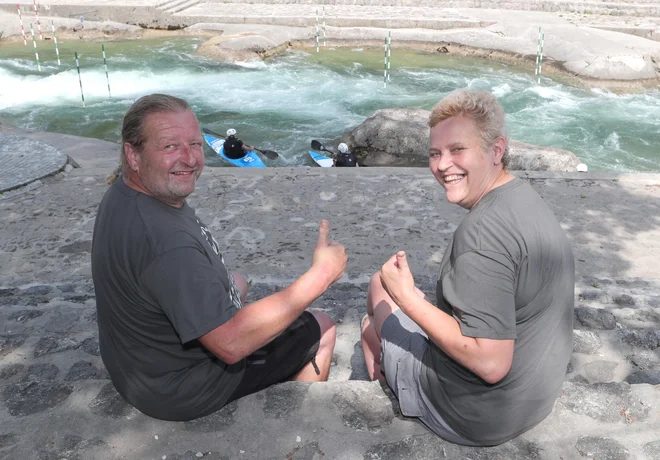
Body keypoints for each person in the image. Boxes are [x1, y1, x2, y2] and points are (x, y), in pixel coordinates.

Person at [91, 94, 347, 422]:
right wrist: (322, 274)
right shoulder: (168, 244)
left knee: (236, 282)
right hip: (183, 387)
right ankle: (291, 428)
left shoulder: (125, 195)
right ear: (133, 154)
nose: (189, 159)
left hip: (139, 369)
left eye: (195, 144)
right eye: (169, 146)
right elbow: (230, 344)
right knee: (322, 325)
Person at [360, 89, 574, 446]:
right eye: (434, 153)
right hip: (533, 400)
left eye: (458, 149)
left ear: (496, 149)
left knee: (379, 292)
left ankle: (385, 373)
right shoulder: (524, 198)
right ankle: (384, 358)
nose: (443, 165)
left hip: (471, 414)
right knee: (394, 298)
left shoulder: (482, 235)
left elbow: (490, 365)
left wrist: (407, 299)